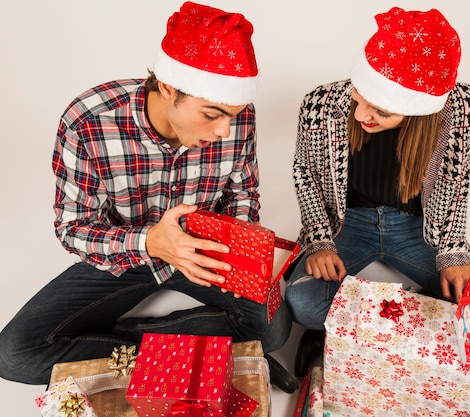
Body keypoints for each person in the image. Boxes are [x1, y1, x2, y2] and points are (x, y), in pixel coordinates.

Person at [0, 2, 298, 393]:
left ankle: (131, 339)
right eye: (211, 115)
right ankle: (225, 351)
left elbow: (242, 192)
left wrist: (240, 242)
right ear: (168, 88)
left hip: (204, 250)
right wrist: (149, 241)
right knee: (14, 354)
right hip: (124, 253)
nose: (226, 129)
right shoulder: (88, 121)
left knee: (273, 330)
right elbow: (72, 228)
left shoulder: (237, 117)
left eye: (233, 113)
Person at [285, 7, 470, 377]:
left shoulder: (461, 110)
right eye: (359, 97)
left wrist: (453, 251)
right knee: (302, 302)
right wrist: (319, 241)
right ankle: (331, 333)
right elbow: (305, 173)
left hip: (417, 228)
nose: (362, 114)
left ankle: (373, 327)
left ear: (418, 109)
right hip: (349, 224)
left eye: (381, 111)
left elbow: (459, 179)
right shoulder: (321, 105)